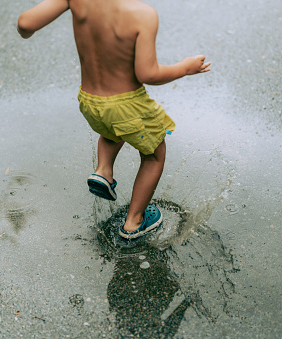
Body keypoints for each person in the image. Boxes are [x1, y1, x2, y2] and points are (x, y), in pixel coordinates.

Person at [17, 0, 210, 240]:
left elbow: (25, 23)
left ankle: (104, 170)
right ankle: (134, 222)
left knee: (112, 130)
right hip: (127, 105)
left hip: (90, 102)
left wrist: (27, 30)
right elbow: (147, 74)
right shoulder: (143, 14)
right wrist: (184, 68)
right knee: (153, 155)